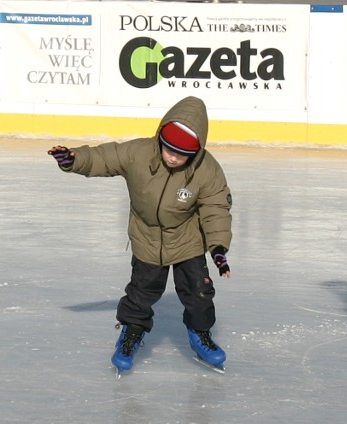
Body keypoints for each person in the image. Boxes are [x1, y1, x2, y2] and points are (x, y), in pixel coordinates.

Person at [48, 95, 233, 375]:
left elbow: (216, 207)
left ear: (195, 152)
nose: (172, 157)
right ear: (160, 138)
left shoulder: (207, 170)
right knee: (140, 293)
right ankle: (131, 333)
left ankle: (200, 334)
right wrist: (73, 159)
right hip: (147, 238)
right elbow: (104, 157)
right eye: (167, 149)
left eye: (180, 154)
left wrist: (218, 248)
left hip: (188, 240)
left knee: (199, 293)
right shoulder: (139, 153)